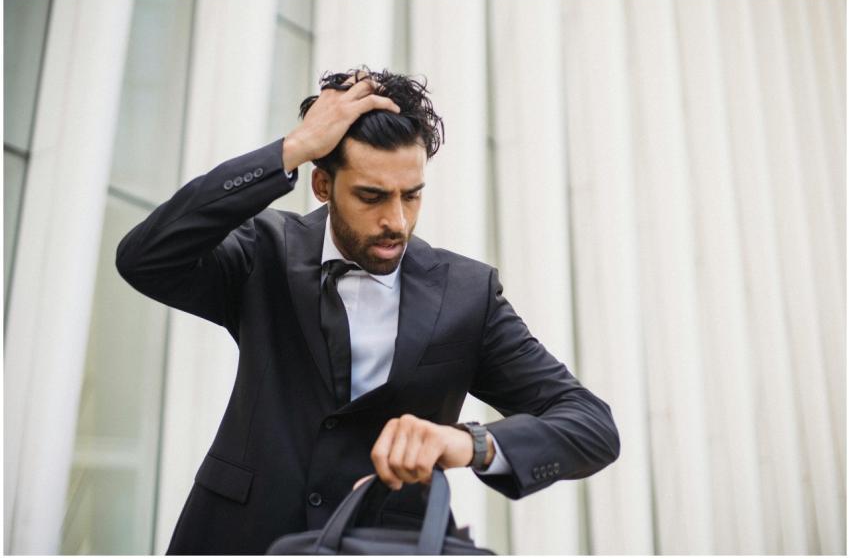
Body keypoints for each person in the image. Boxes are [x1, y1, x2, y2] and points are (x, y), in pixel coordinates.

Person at [116, 67, 620, 554]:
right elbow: (146, 257)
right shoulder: (262, 251)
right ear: (322, 186)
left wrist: (467, 443)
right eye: (371, 196)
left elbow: (591, 426)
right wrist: (290, 150)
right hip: (240, 538)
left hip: (390, 544)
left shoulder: (469, 294)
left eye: (412, 195)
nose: (396, 221)